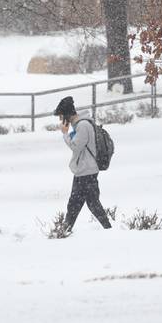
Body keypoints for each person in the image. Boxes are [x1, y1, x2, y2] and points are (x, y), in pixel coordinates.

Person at [54, 96, 112, 231]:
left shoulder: (83, 126)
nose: (60, 120)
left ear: (67, 115)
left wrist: (65, 134)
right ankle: (66, 229)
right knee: (85, 203)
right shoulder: (81, 125)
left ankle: (65, 230)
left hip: (87, 171)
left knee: (80, 203)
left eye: (61, 116)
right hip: (85, 170)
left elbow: (75, 147)